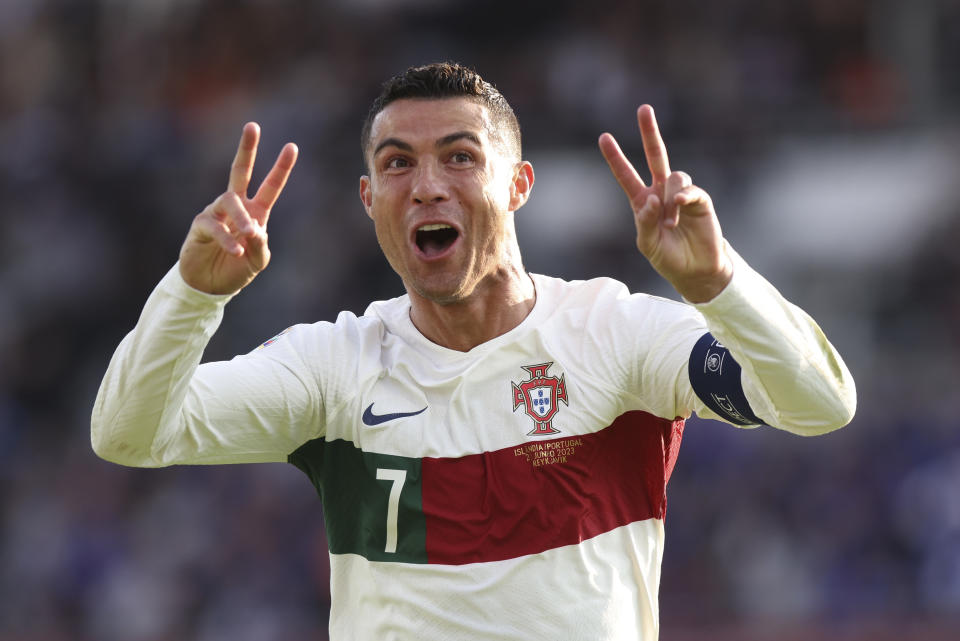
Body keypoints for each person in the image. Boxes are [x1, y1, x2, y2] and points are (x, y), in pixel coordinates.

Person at [92, 62, 856, 640]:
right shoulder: (334, 366)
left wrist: (719, 283)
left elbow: (822, 403)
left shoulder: (615, 334)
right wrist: (194, 292)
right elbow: (128, 433)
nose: (426, 185)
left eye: (460, 156)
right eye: (397, 163)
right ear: (369, 200)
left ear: (518, 183)